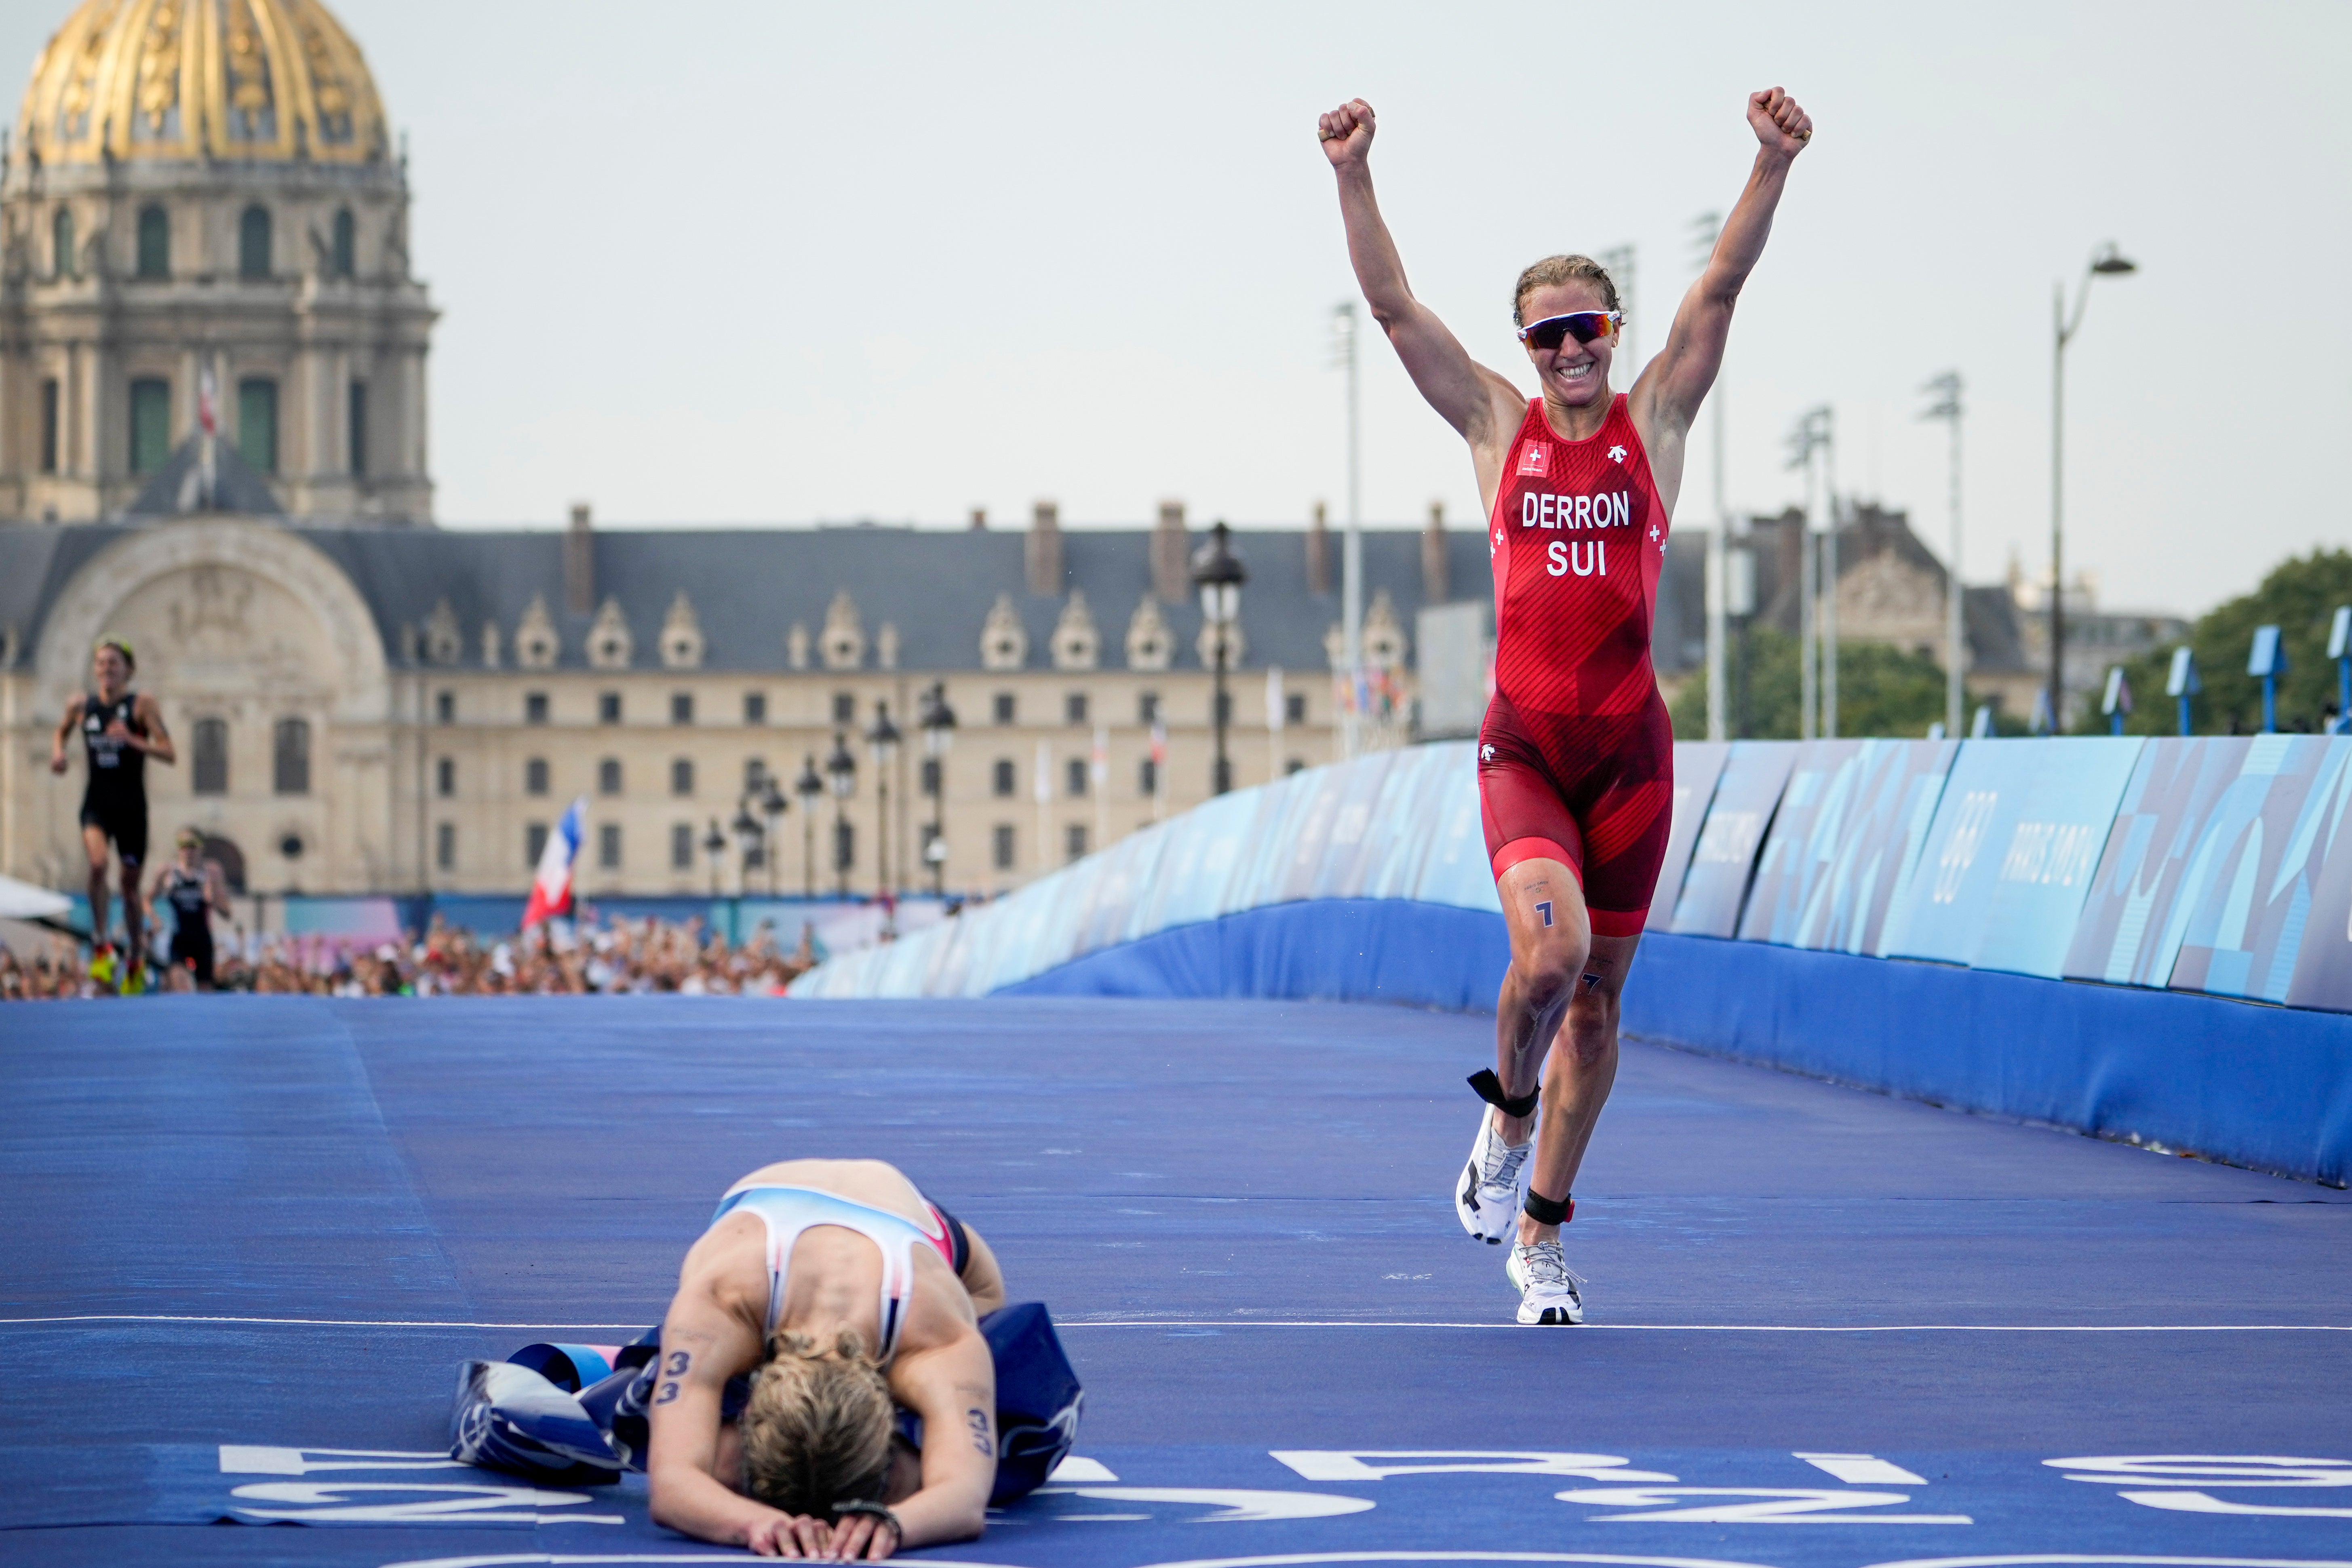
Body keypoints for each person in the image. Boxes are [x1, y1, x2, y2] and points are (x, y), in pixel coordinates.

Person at [1320, 88, 1812, 1325]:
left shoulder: (1655, 419)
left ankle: (1538, 1237)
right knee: (1551, 956)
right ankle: (1503, 1110)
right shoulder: (1498, 426)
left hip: (1633, 760)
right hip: (1526, 746)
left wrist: (1766, 163)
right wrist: (1352, 174)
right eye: (1545, 339)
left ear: (1609, 330)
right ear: (1526, 350)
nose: (1568, 354)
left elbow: (1719, 290)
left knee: (1598, 1005)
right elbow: (1390, 311)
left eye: (1584, 330)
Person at [646, 1158, 1010, 1559]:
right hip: (787, 1219)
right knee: (727, 1468)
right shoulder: (723, 1301)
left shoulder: (937, 1337)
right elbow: (671, 1487)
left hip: (941, 1248)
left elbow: (965, 1499)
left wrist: (894, 1524)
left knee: (909, 1475)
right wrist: (754, 1522)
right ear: (749, 1406)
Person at [50, 638, 175, 994]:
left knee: (130, 888)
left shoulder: (142, 705)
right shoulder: (80, 704)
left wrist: (134, 741)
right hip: (97, 805)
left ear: (129, 671)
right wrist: (59, 754)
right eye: (102, 663)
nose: (107, 669)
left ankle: (136, 953)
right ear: (95, 670)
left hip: (132, 809)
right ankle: (102, 940)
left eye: (115, 664)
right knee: (98, 865)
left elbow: (170, 753)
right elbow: (60, 731)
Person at [149, 830, 228, 990]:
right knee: (178, 983)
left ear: (201, 849)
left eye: (193, 847)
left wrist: (213, 900)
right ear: (178, 849)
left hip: (202, 939)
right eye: (184, 847)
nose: (188, 852)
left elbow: (228, 913)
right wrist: (154, 918)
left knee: (205, 988)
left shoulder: (211, 872)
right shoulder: (168, 873)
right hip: (179, 939)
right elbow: (146, 899)